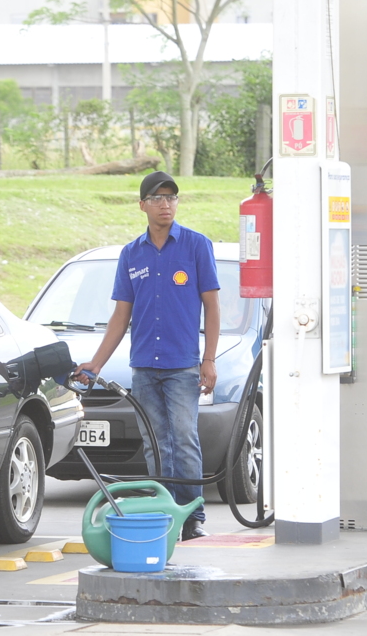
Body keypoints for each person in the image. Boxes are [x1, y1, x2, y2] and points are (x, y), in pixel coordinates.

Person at [76, 171, 220, 540]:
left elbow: (212, 306)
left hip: (183, 366)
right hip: (143, 366)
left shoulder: (195, 246)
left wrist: (210, 359)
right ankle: (164, 509)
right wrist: (96, 364)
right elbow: (120, 316)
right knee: (155, 442)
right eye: (156, 198)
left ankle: (192, 514)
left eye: (171, 197)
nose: (165, 204)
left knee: (184, 438)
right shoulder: (131, 254)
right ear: (142, 205)